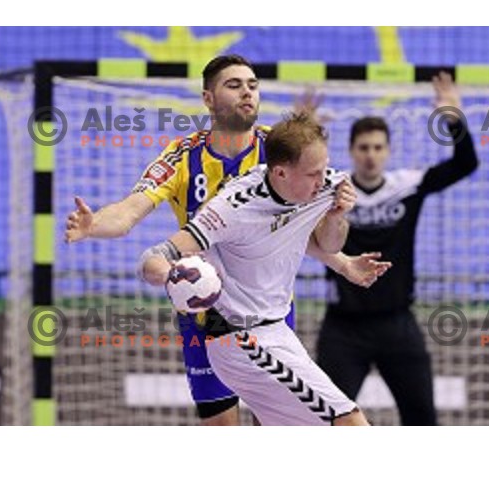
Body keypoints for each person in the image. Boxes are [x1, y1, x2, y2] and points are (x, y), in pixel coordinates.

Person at [65, 54, 389, 425]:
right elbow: (128, 212)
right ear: (208, 98)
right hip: (206, 313)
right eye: (233, 85)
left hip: (267, 310)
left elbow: (293, 230)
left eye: (252, 85)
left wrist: (344, 262)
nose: (246, 93)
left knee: (282, 421)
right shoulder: (183, 157)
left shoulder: (279, 150)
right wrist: (93, 225)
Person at [140, 113, 375, 425]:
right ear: (279, 172)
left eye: (324, 168)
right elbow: (153, 257)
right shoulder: (232, 206)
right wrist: (170, 274)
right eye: (313, 174)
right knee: (349, 421)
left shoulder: (326, 185)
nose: (323, 180)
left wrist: (336, 217)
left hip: (279, 333)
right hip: (241, 339)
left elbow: (330, 245)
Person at [316, 72, 479, 425]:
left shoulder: (407, 186)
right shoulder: (332, 191)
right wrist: (304, 132)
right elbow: (282, 181)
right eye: (363, 148)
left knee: (422, 420)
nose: (370, 156)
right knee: (323, 422)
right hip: (343, 329)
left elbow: (466, 164)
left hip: (397, 324)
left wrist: (453, 118)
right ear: (351, 151)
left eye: (377, 147)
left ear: (388, 151)